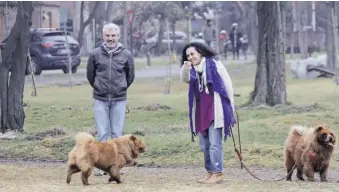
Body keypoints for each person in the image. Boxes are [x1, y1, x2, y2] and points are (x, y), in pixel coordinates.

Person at [180, 42, 236, 184]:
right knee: (204, 145)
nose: (191, 57)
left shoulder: (214, 64)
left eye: (192, 53)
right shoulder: (192, 69)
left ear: (200, 52)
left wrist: (231, 108)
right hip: (200, 111)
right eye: (188, 55)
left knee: (214, 143)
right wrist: (185, 68)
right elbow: (185, 79)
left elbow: (227, 84)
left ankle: (218, 173)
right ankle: (209, 172)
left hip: (214, 110)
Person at [86, 23, 135, 176]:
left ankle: (115, 166)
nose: (110, 38)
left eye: (113, 36)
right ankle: (101, 166)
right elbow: (90, 75)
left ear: (118, 36)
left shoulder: (126, 54)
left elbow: (130, 76)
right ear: (103, 36)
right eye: (107, 35)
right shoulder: (95, 54)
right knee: (102, 133)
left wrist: (121, 87)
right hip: (100, 98)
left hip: (119, 99)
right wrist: (99, 87)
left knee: (117, 135)